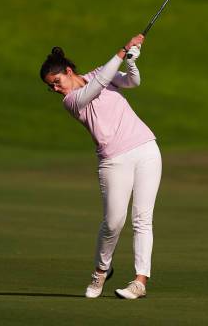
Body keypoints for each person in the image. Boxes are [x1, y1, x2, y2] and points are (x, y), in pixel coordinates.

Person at [39, 34, 161, 299]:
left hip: (145, 148)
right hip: (113, 160)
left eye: (57, 82)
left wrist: (131, 61)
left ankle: (140, 282)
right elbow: (99, 84)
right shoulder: (71, 102)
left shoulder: (97, 73)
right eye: (52, 87)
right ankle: (101, 270)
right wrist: (121, 50)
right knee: (113, 222)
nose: (57, 89)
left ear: (68, 71)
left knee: (142, 219)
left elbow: (132, 82)